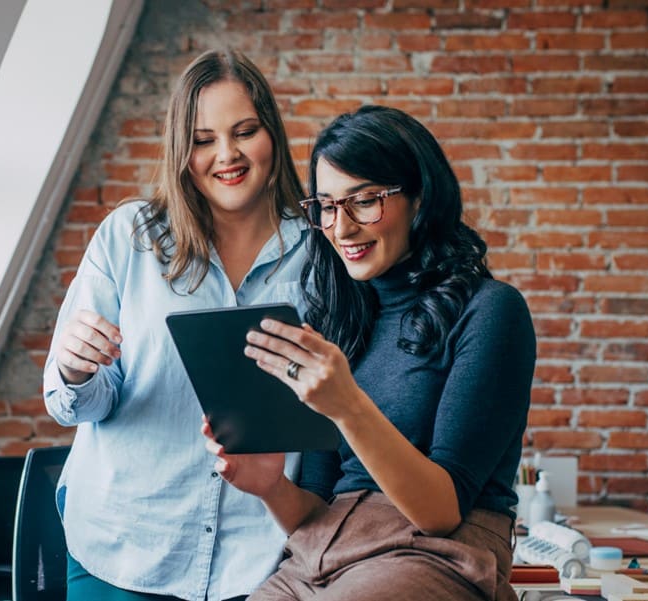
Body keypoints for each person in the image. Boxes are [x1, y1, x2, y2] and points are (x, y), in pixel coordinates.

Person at [203, 105, 536, 600]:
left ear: (420, 198)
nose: (342, 228)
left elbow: (441, 511)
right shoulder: (341, 323)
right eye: (327, 206)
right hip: (320, 555)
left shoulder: (491, 311)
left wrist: (347, 404)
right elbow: (315, 513)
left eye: (364, 201)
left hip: (431, 553)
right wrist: (270, 485)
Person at [43, 48, 310, 601]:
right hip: (124, 545)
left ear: (273, 136)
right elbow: (80, 404)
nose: (227, 155)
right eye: (204, 139)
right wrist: (74, 368)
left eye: (245, 131)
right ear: (179, 150)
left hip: (261, 558)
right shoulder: (129, 238)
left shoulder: (318, 251)